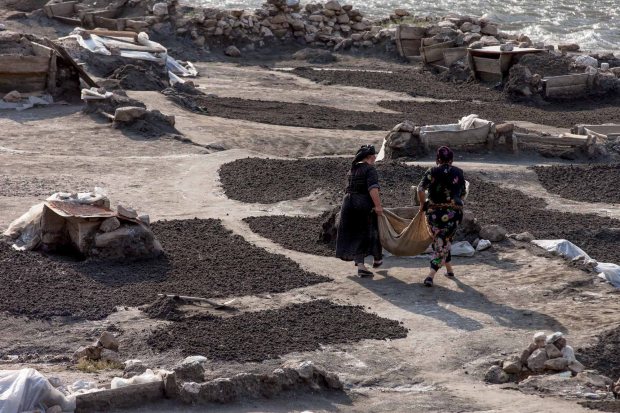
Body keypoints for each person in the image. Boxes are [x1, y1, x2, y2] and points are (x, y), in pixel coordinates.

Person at [417, 146, 466, 287]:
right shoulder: (459, 172)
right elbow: (463, 194)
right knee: (444, 240)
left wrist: (422, 204)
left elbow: (420, 189)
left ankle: (431, 275)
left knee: (441, 241)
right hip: (453, 214)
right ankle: (449, 270)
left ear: (437, 159)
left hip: (434, 215)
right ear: (452, 159)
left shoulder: (432, 171)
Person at [336, 145, 384, 277]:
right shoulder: (370, 169)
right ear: (370, 157)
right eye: (374, 155)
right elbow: (373, 189)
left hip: (347, 203)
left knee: (356, 232)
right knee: (366, 232)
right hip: (361, 204)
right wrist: (378, 206)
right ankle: (364, 265)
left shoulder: (353, 168)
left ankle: (376, 259)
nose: (375, 157)